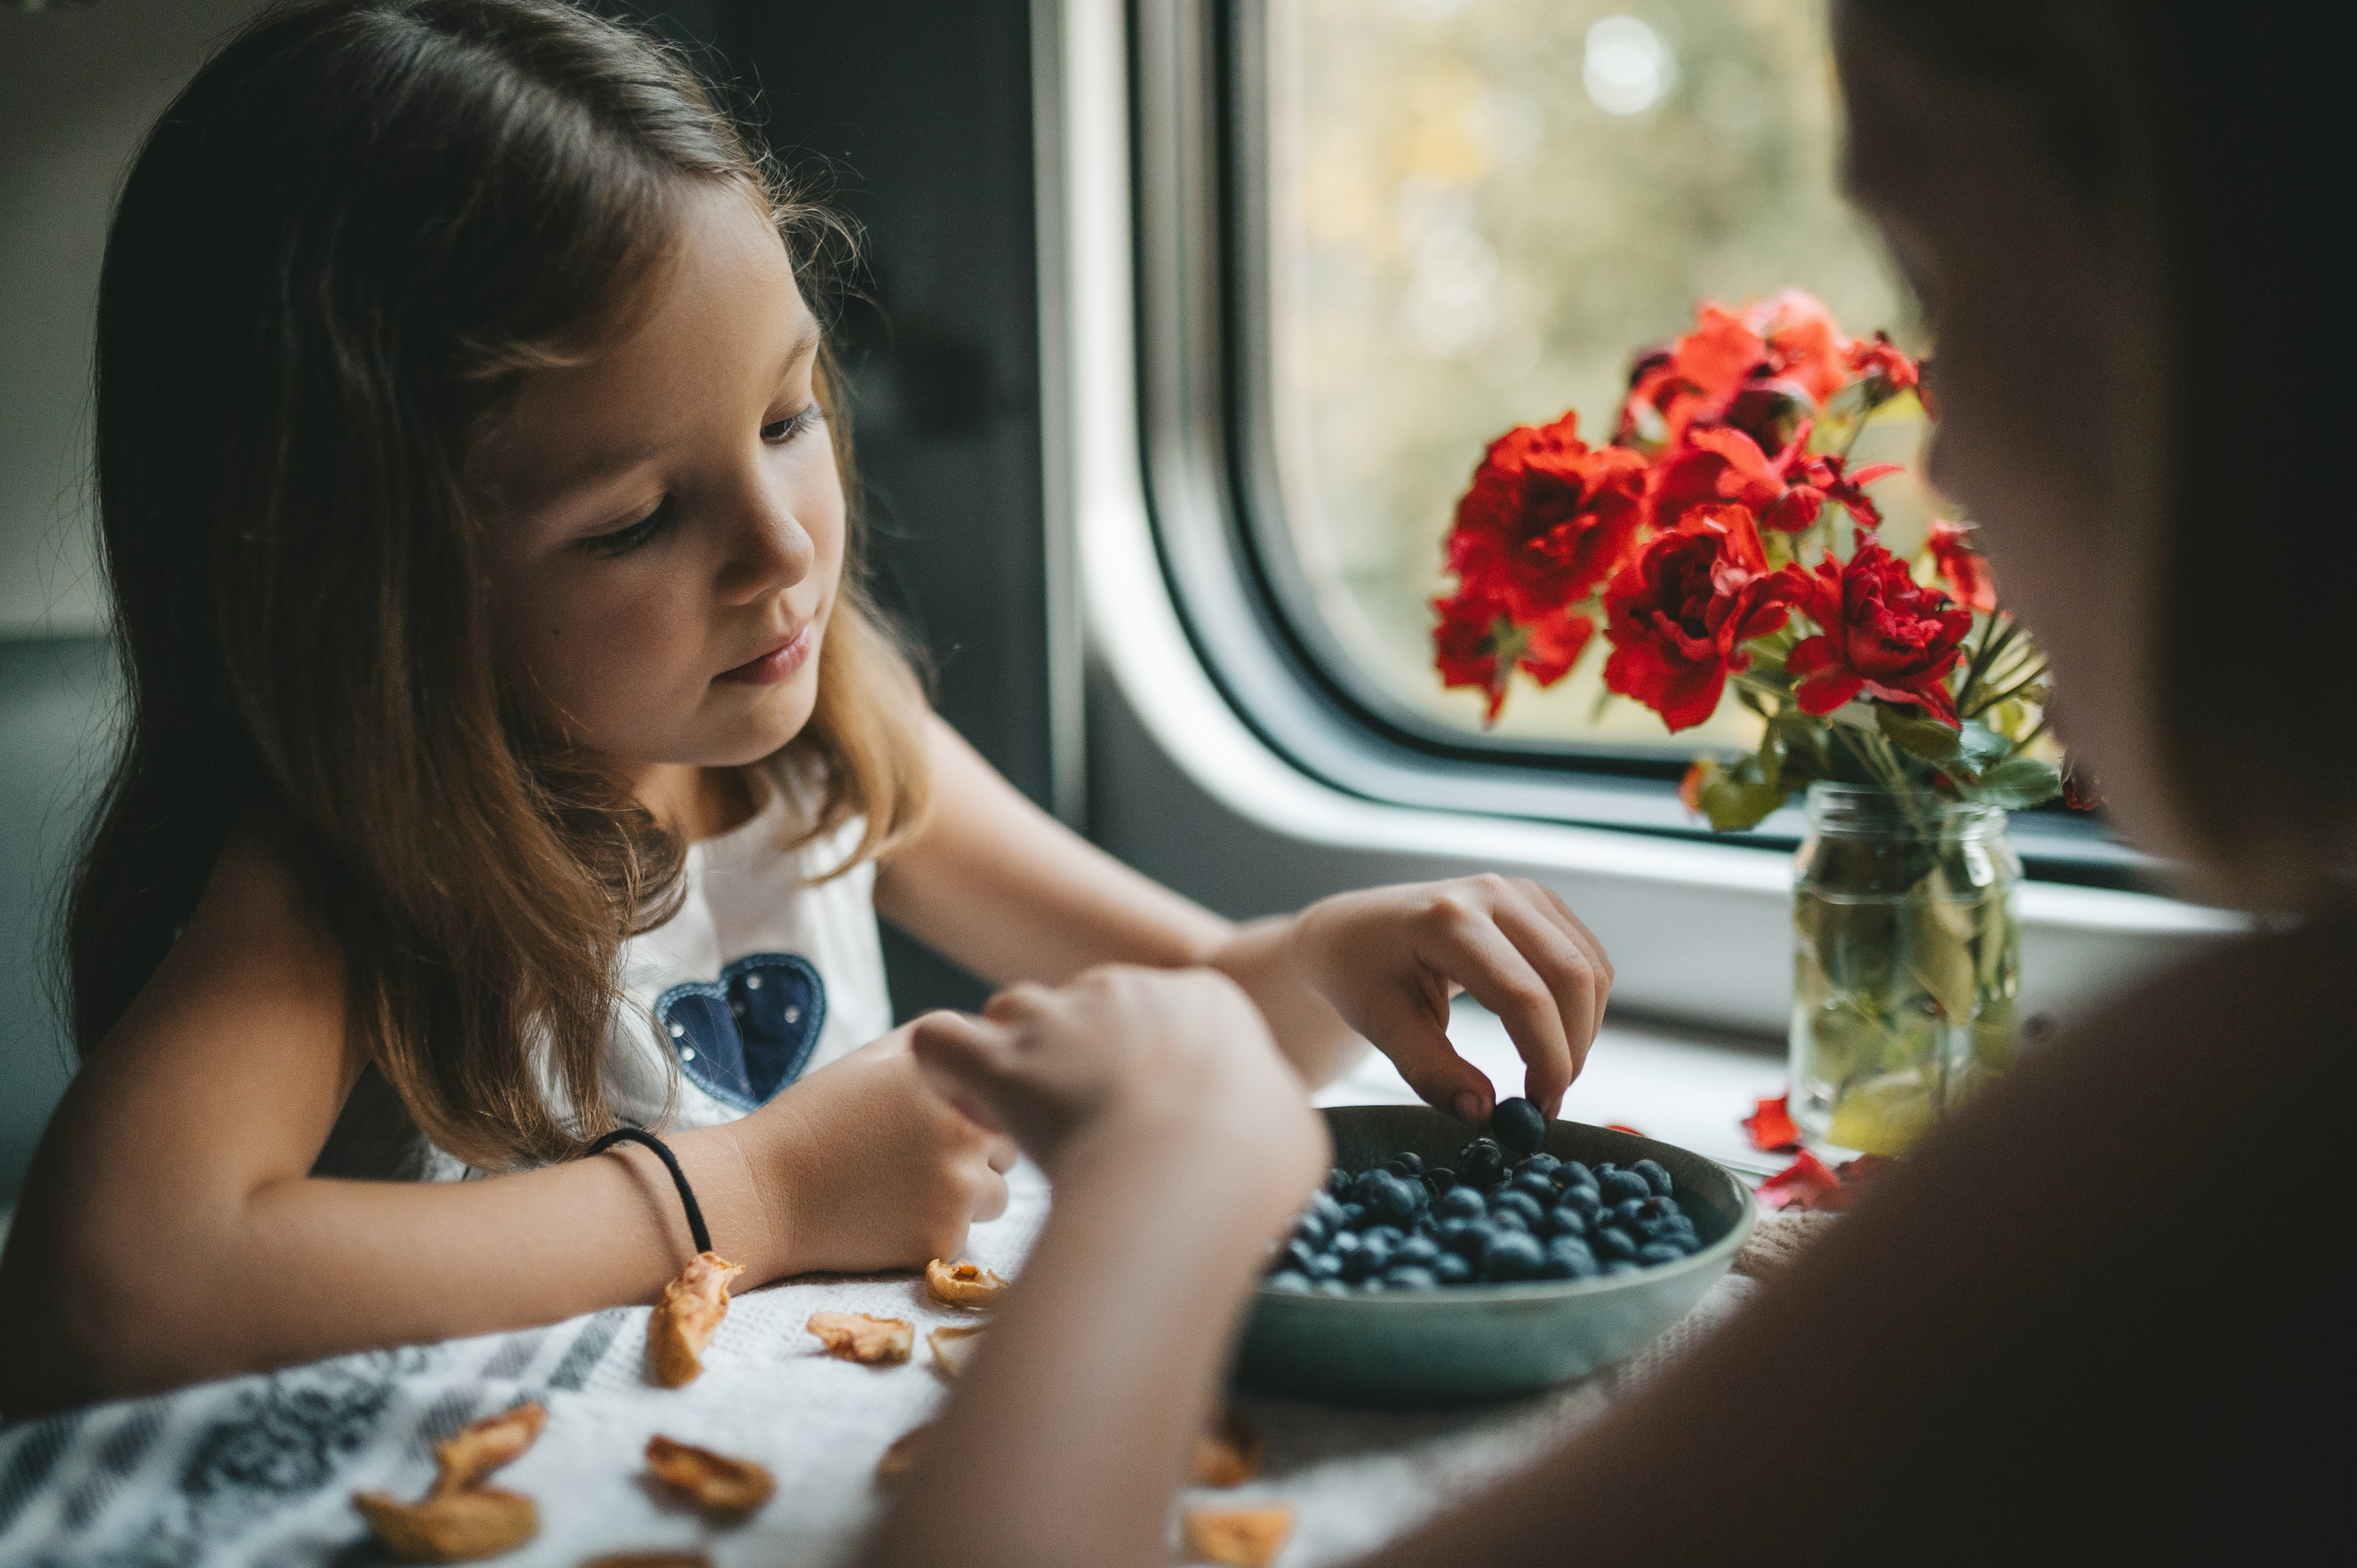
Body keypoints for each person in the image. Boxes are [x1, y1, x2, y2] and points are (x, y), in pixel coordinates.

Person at [862, 1, 2347, 1562]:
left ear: (2233, 306)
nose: (1947, 457)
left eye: (1939, 287)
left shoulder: (2242, 1138)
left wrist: (1152, 1201)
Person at [0, 0, 1614, 1416]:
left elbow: (1180, 1009)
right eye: (635, 518)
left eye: (787, 415)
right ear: (371, 591)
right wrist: (757, 1192)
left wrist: (1332, 952)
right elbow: (113, 1291)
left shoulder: (833, 737)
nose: (784, 550)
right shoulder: (351, 869)